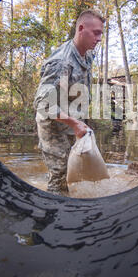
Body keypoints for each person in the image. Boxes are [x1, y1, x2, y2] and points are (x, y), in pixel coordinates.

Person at [34, 10, 105, 196]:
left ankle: (67, 206)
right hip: (52, 123)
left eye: (101, 34)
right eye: (96, 33)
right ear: (81, 29)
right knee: (59, 173)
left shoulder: (87, 56)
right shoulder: (61, 62)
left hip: (70, 120)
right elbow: (42, 103)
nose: (99, 38)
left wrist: (80, 122)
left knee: (71, 171)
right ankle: (55, 216)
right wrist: (74, 123)